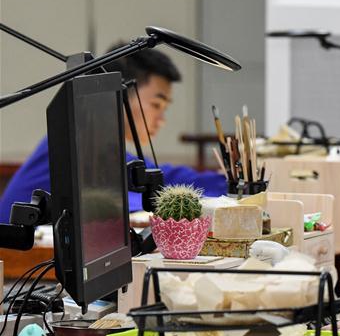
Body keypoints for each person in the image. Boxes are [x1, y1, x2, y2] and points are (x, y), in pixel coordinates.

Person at [0, 43, 227, 224]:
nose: (162, 119)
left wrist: (225, 183)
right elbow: (110, 201)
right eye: (157, 105)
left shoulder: (100, 139)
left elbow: (156, 177)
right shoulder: (82, 138)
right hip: (17, 259)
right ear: (120, 94)